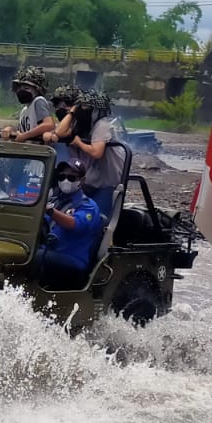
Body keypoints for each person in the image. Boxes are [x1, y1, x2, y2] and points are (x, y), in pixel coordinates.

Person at [36, 159, 102, 288]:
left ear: (81, 181)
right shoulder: (55, 200)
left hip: (71, 259)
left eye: (71, 177)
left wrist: (50, 211)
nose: (66, 181)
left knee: (34, 258)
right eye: (62, 176)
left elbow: (73, 224)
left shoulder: (88, 206)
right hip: (48, 251)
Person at [72, 91, 127, 219]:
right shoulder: (87, 125)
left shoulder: (102, 124)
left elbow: (97, 152)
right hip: (94, 179)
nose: (83, 111)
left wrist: (78, 143)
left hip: (108, 182)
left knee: (98, 218)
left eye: (87, 108)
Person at [0, 67, 54, 142]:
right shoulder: (25, 110)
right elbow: (20, 133)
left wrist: (25, 136)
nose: (21, 91)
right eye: (19, 88)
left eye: (26, 88)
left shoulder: (38, 101)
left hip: (38, 151)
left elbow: (49, 125)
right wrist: (10, 130)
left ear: (37, 89)